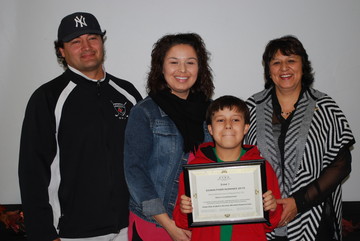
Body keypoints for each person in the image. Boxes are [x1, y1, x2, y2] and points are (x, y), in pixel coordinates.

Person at [18, 12, 142, 241]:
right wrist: (43, 233)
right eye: (76, 41)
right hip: (73, 232)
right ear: (61, 51)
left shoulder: (128, 93)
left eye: (92, 38)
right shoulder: (47, 98)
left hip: (130, 226)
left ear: (102, 43)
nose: (86, 46)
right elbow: (32, 171)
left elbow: (144, 157)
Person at [245, 35, 355, 241]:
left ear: (303, 66)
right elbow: (238, 157)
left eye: (291, 60)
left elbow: (341, 165)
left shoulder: (324, 105)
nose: (284, 68)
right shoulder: (251, 106)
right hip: (262, 218)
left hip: (314, 213)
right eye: (276, 62)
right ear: (269, 70)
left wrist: (298, 202)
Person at [124, 33, 215, 241]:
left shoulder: (211, 111)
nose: (182, 70)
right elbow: (134, 172)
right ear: (161, 67)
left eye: (190, 62)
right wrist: (169, 226)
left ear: (199, 68)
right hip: (156, 223)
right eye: (174, 62)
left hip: (198, 225)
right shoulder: (145, 112)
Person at [173, 95, 282, 241]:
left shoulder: (262, 168)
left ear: (246, 128)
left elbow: (271, 223)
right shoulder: (194, 171)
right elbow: (182, 222)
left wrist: (272, 208)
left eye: (235, 119)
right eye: (220, 120)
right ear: (210, 129)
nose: (228, 125)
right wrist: (184, 210)